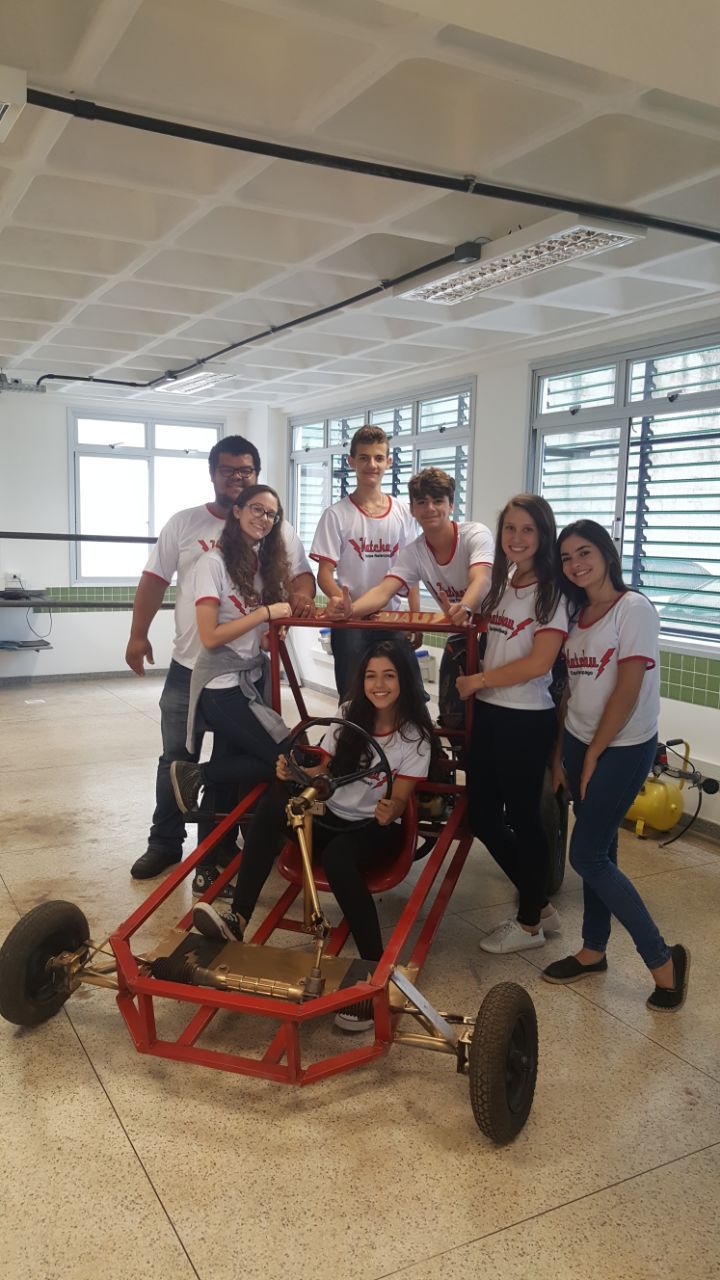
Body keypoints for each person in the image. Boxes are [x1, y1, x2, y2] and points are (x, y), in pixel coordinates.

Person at [191, 640, 433, 1031]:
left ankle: (373, 970)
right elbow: (326, 771)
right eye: (371, 676)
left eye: (389, 675)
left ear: (403, 679)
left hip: (375, 828)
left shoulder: (414, 738)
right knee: (273, 803)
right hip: (332, 817)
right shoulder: (349, 716)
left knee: (338, 857)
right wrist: (296, 773)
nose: (379, 685)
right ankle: (238, 918)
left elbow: (400, 798)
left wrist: (391, 808)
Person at [126, 435, 315, 885]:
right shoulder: (186, 524)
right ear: (213, 474)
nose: (237, 477)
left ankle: (219, 846)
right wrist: (137, 635)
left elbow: (300, 578)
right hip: (189, 666)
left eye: (245, 470)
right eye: (228, 470)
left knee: (237, 757)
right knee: (176, 756)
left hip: (247, 671)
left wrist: (295, 608)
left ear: (256, 474)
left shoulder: (274, 528)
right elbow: (153, 580)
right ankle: (164, 843)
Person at [541, 520, 690, 1011]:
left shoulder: (634, 609)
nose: (575, 564)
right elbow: (570, 692)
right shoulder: (577, 614)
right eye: (566, 558)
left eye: (584, 552)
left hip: (624, 747)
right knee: (602, 848)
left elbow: (627, 691)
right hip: (580, 742)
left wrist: (594, 755)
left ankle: (663, 961)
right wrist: (562, 755)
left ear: (607, 553)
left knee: (586, 856)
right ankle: (593, 950)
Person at [455, 495, 568, 952]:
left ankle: (529, 926)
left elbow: (540, 663)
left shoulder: (552, 592)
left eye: (528, 530)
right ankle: (539, 905)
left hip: (525, 718)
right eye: (509, 528)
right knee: (482, 816)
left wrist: (478, 680)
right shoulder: (506, 583)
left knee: (524, 819)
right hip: (490, 711)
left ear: (543, 535)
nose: (517, 538)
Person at [169, 484, 293, 822]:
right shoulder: (212, 562)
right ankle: (196, 774)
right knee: (287, 759)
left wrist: (270, 634)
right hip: (220, 685)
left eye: (271, 514)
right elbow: (210, 636)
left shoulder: (262, 566)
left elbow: (253, 637)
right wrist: (265, 613)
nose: (264, 518)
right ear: (237, 511)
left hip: (248, 680)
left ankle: (216, 849)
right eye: (257, 509)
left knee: (231, 768)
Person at [311, 425, 422, 702]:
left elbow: (412, 572)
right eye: (364, 458)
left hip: (391, 618)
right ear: (351, 462)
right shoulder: (336, 515)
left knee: (411, 696)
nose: (372, 465)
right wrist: (345, 605)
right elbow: (324, 575)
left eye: (378, 458)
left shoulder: (403, 514)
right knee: (352, 698)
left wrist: (416, 618)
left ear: (389, 462)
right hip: (351, 623)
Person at [325, 467, 494, 627]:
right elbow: (383, 592)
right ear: (412, 509)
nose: (430, 508)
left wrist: (465, 606)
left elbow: (482, 579)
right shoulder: (414, 553)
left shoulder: (475, 534)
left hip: (496, 626)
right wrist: (351, 610)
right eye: (422, 502)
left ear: (451, 506)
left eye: (438, 501)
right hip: (462, 628)